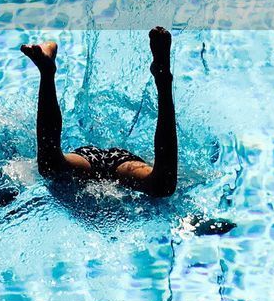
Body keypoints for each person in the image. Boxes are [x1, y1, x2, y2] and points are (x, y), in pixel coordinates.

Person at [19, 26, 177, 198]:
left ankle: (163, 78)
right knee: (163, 186)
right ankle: (47, 70)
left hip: (111, 164)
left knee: (164, 186)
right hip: (105, 163)